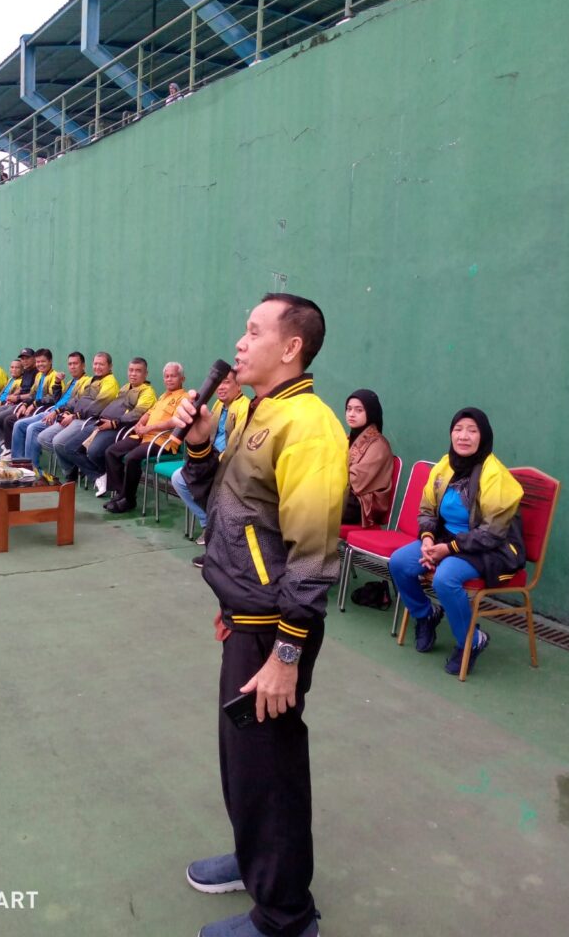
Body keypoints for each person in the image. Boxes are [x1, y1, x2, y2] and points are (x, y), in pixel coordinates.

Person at [176, 294, 347, 937]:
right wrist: (199, 448)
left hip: (274, 631)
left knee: (271, 771)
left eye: (254, 332)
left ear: (291, 347)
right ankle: (257, 864)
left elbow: (313, 556)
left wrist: (286, 654)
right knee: (246, 762)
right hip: (246, 617)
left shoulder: (309, 426)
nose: (240, 344)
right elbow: (223, 506)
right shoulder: (257, 410)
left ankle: (285, 917)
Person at [389, 408, 525, 677]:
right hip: (445, 539)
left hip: (488, 548)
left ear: (483, 436)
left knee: (445, 579)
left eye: (472, 431)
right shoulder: (445, 465)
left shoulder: (494, 475)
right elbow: (426, 509)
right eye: (458, 429)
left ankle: (472, 641)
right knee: (400, 563)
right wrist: (428, 539)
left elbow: (492, 532)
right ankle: (425, 615)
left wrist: (447, 550)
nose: (463, 436)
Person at [55, 357, 157, 494]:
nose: (133, 374)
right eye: (131, 370)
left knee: (93, 452)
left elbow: (137, 414)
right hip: (101, 423)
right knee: (70, 447)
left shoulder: (147, 392)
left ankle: (107, 477)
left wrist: (114, 423)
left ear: (146, 374)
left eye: (138, 371)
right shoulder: (125, 387)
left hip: (118, 428)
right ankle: (100, 475)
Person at [171, 369, 249, 545]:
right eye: (218, 383)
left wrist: (213, 463)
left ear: (239, 385)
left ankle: (215, 525)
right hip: (209, 459)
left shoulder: (244, 407)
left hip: (227, 464)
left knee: (190, 480)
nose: (220, 387)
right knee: (178, 479)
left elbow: (237, 446)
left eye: (226, 382)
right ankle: (208, 521)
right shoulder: (218, 405)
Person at [103, 362, 189, 514]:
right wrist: (140, 424)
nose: (169, 379)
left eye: (173, 376)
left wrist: (149, 428)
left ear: (182, 378)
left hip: (162, 441)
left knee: (132, 458)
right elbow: (148, 413)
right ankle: (121, 493)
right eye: (166, 376)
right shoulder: (163, 396)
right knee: (111, 451)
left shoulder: (185, 398)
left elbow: (173, 422)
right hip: (144, 435)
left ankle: (129, 500)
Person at [38, 352, 120, 478]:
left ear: (110, 366)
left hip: (88, 420)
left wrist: (75, 416)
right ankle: (74, 466)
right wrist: (62, 411)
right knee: (43, 437)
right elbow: (77, 399)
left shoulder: (110, 382)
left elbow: (98, 406)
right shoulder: (93, 380)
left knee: (58, 442)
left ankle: (73, 473)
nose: (97, 367)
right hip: (74, 416)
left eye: (101, 364)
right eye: (95, 364)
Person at [10, 352, 89, 463]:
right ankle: (17, 462)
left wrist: (55, 411)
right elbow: (57, 400)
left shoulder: (86, 381)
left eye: (75, 364)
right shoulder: (70, 382)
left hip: (60, 415)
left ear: (83, 365)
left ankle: (32, 466)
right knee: (19, 425)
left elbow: (74, 403)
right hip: (50, 411)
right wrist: (57, 383)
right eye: (70, 364)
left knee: (32, 428)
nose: (72, 367)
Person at [342, 389, 394, 527]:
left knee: (316, 505)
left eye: (359, 410)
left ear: (370, 412)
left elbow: (356, 481)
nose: (351, 414)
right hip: (345, 496)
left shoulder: (379, 445)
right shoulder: (348, 439)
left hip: (362, 504)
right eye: (349, 409)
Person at [0, 348, 37, 440]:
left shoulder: (37, 373)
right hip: (14, 402)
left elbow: (34, 394)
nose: (24, 361)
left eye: (27, 358)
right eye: (22, 358)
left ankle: (3, 443)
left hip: (23, 404)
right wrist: (13, 395)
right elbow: (22, 388)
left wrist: (17, 397)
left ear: (34, 358)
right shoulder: (26, 371)